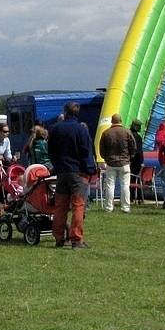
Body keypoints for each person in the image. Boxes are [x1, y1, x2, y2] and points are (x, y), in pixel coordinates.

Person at [48, 102, 97, 249]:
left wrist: (57, 166)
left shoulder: (55, 129)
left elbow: (51, 151)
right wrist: (89, 169)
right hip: (77, 173)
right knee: (78, 206)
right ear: (77, 113)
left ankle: (58, 237)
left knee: (60, 206)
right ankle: (76, 239)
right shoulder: (81, 130)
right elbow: (86, 151)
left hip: (62, 172)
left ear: (65, 112)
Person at [99, 113, 136, 214]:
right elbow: (133, 147)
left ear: (112, 121)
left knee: (110, 185)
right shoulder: (127, 132)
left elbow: (101, 150)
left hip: (111, 163)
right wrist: (130, 157)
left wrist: (105, 158)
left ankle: (109, 207)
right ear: (121, 121)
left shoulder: (106, 133)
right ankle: (125, 207)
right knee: (125, 185)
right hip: (124, 163)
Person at [129, 119, 144, 203]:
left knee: (129, 179)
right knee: (136, 179)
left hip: (129, 160)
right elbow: (140, 151)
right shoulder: (138, 137)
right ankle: (138, 197)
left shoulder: (128, 135)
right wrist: (142, 161)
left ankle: (130, 197)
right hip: (136, 161)